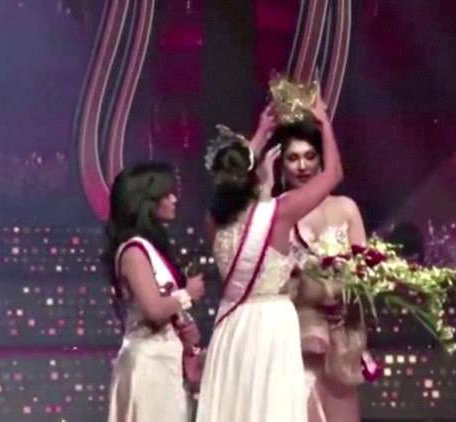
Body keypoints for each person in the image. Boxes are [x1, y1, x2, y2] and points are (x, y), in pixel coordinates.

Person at [195, 99, 343, 422]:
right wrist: (324, 125)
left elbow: (232, 177)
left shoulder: (212, 220)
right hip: (270, 324)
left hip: (231, 328)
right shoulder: (278, 212)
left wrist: (260, 136)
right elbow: (333, 174)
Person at [269, 119, 380, 422]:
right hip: (295, 334)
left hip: (341, 334)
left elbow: (365, 269)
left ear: (322, 160)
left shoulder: (346, 207)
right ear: (281, 165)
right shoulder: (276, 210)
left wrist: (346, 297)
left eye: (310, 156)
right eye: (293, 158)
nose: (302, 166)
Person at [105, 162, 206, 422]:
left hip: (165, 363)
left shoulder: (150, 248)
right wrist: (188, 294)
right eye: (166, 194)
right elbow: (153, 309)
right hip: (147, 366)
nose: (174, 200)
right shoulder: (133, 252)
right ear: (146, 201)